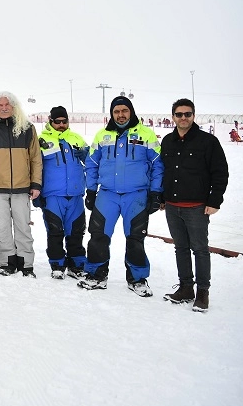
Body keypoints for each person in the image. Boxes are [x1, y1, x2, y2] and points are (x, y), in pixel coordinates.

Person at [78, 96, 164, 297]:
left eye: (124, 110)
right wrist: (91, 190)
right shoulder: (102, 135)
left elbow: (158, 164)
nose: (121, 115)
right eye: (116, 111)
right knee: (98, 235)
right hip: (107, 194)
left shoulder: (146, 134)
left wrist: (156, 192)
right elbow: (91, 163)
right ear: (112, 114)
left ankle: (137, 279)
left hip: (136, 195)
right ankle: (97, 275)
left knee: (135, 238)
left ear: (131, 111)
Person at [161, 99, 228, 312]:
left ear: (193, 116)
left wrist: (214, 200)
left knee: (199, 249)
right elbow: (164, 171)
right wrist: (162, 198)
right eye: (179, 114)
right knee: (180, 248)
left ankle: (202, 293)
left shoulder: (208, 142)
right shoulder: (168, 141)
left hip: (197, 207)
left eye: (187, 114)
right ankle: (186, 288)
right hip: (172, 206)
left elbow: (220, 172)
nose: (183, 118)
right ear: (173, 116)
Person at [0, 91, 42, 277]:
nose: (4, 108)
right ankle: (7, 262)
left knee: (23, 226)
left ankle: (26, 263)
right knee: (1, 227)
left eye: (7, 105)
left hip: (22, 188)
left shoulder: (27, 128)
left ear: (14, 107)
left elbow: (36, 158)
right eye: (0, 105)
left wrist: (36, 183)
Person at [36, 106, 88, 279]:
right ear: (50, 121)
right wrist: (36, 191)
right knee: (55, 231)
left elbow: (91, 162)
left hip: (75, 194)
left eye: (64, 121)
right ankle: (57, 264)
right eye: (57, 121)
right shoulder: (41, 140)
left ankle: (77, 265)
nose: (61, 124)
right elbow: (34, 167)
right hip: (52, 195)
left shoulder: (76, 138)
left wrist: (86, 155)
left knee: (76, 232)